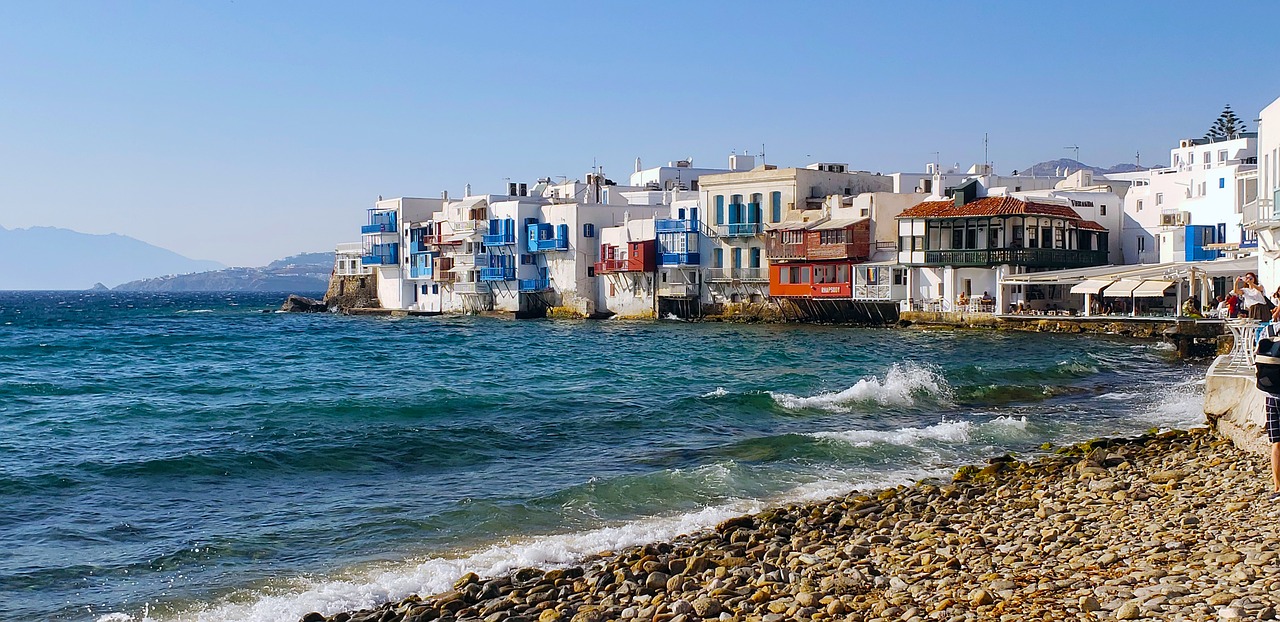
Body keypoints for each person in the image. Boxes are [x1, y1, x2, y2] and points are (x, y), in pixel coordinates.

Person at [1258, 314, 1280, 496]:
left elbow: (1256, 356)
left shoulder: (1269, 330)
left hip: (1271, 394)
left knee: (1276, 444)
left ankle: (1277, 487)